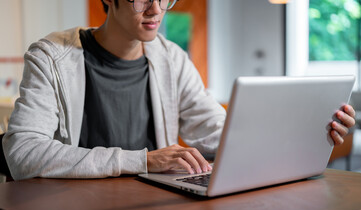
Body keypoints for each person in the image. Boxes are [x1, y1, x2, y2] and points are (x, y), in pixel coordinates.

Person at [2, 0, 356, 181]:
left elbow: (222, 132)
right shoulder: (51, 56)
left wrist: (307, 134)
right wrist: (142, 160)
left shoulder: (171, 57)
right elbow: (23, 153)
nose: (156, 10)